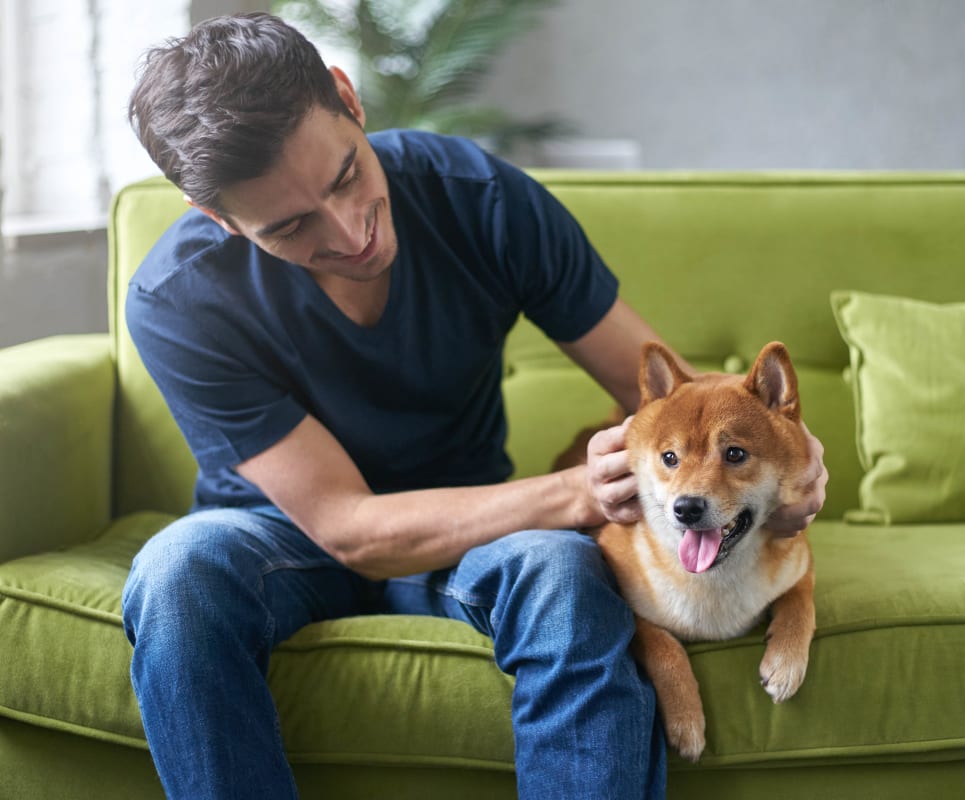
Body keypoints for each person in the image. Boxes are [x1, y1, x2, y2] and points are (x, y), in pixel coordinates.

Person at [121, 12, 827, 800]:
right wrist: (574, 492)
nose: (349, 232)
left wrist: (787, 457)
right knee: (175, 572)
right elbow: (352, 529)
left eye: (346, 176)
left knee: (565, 571)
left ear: (350, 102)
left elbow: (684, 408)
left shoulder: (480, 199)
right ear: (216, 217)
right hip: (279, 537)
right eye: (289, 226)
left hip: (476, 526)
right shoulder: (177, 297)